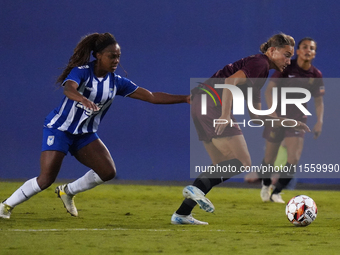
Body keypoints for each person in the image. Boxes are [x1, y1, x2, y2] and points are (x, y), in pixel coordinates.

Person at [0, 32, 189, 219]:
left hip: (85, 134)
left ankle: (67, 191)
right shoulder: (82, 71)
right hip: (60, 129)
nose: (116, 60)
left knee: (107, 172)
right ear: (98, 55)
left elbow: (152, 96)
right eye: (112, 56)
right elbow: (69, 89)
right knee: (46, 179)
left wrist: (185, 98)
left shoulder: (116, 82)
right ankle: (6, 205)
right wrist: (83, 99)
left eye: (118, 57)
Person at [171, 33, 310, 225]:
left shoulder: (260, 71)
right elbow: (229, 82)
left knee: (221, 164)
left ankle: (182, 213)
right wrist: (225, 115)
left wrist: (290, 122)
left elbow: (257, 115)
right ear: (271, 51)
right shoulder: (260, 63)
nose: (289, 60)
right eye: (286, 55)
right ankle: (194, 190)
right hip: (213, 103)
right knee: (243, 162)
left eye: (290, 56)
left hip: (200, 101)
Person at [259, 37, 324, 203]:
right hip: (278, 117)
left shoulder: (316, 75)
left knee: (294, 158)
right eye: (304, 47)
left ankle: (276, 192)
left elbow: (318, 101)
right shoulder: (286, 67)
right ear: (299, 51)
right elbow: (269, 90)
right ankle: (266, 184)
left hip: (297, 119)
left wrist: (319, 121)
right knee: (269, 158)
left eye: (312, 48)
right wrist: (272, 113)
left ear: (314, 53)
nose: (308, 50)